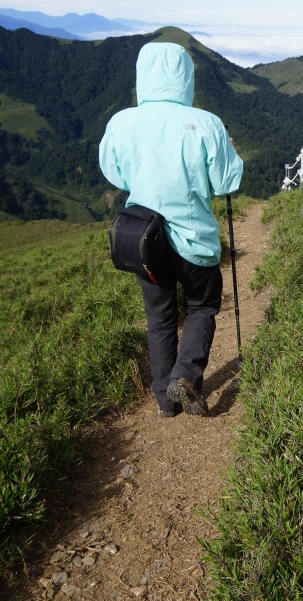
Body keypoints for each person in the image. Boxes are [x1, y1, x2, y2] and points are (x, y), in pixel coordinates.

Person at [99, 41, 243, 418]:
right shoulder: (206, 123)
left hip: (145, 240)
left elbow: (113, 172)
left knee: (159, 318)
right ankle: (185, 376)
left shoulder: (121, 123)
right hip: (194, 240)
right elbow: (227, 182)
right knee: (202, 307)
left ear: (142, 75)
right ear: (185, 77)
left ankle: (166, 402)